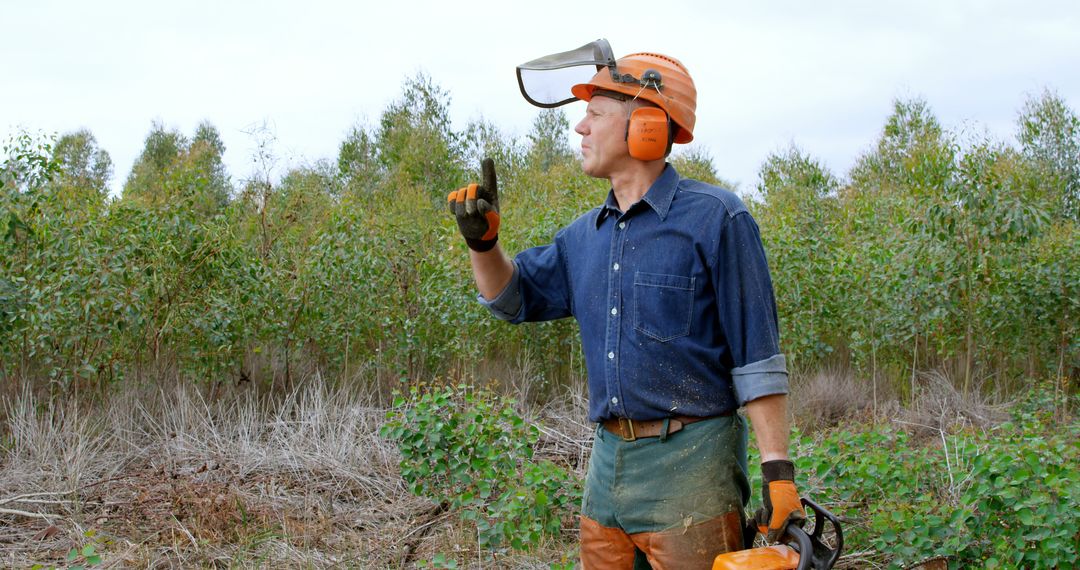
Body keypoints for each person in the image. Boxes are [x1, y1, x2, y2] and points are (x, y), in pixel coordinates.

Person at [447, 42, 805, 569]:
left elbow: (757, 359)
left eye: (594, 113)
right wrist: (483, 244)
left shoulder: (717, 218)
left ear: (646, 125)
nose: (580, 128)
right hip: (607, 471)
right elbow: (511, 298)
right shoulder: (581, 238)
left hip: (692, 471)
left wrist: (779, 477)